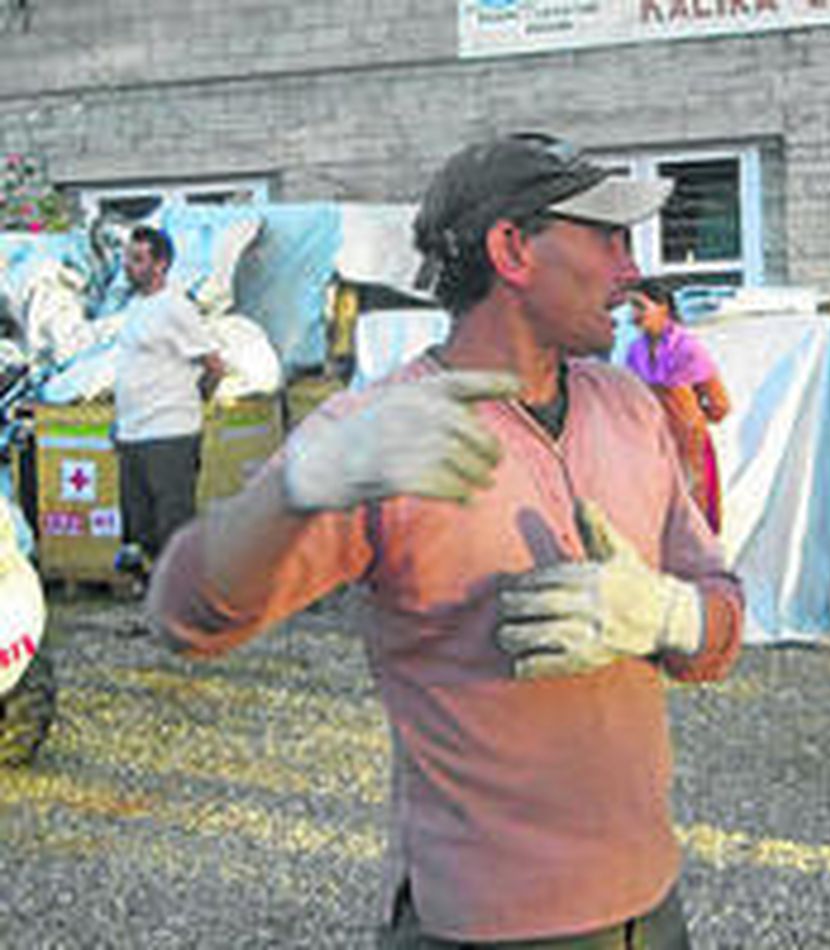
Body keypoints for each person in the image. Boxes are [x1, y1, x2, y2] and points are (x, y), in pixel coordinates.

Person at [145, 134, 744, 947]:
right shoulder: (379, 437)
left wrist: (670, 615)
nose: (628, 269)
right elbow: (184, 618)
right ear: (511, 249)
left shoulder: (630, 409)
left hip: (654, 909)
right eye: (606, 237)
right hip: (482, 924)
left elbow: (721, 626)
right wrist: (293, 492)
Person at [111, 224, 225, 583]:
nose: (129, 265)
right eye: (128, 258)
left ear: (160, 264)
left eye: (138, 259)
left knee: (172, 527)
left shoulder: (176, 307)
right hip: (134, 432)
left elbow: (213, 365)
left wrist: (195, 399)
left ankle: (185, 606)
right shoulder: (135, 307)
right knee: (139, 531)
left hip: (169, 431)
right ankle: (153, 603)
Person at [624, 278, 732, 533]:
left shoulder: (687, 348)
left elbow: (720, 404)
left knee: (693, 522)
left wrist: (688, 421)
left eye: (640, 306)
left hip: (687, 448)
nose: (633, 315)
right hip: (650, 446)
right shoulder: (634, 350)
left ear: (663, 307)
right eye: (631, 307)